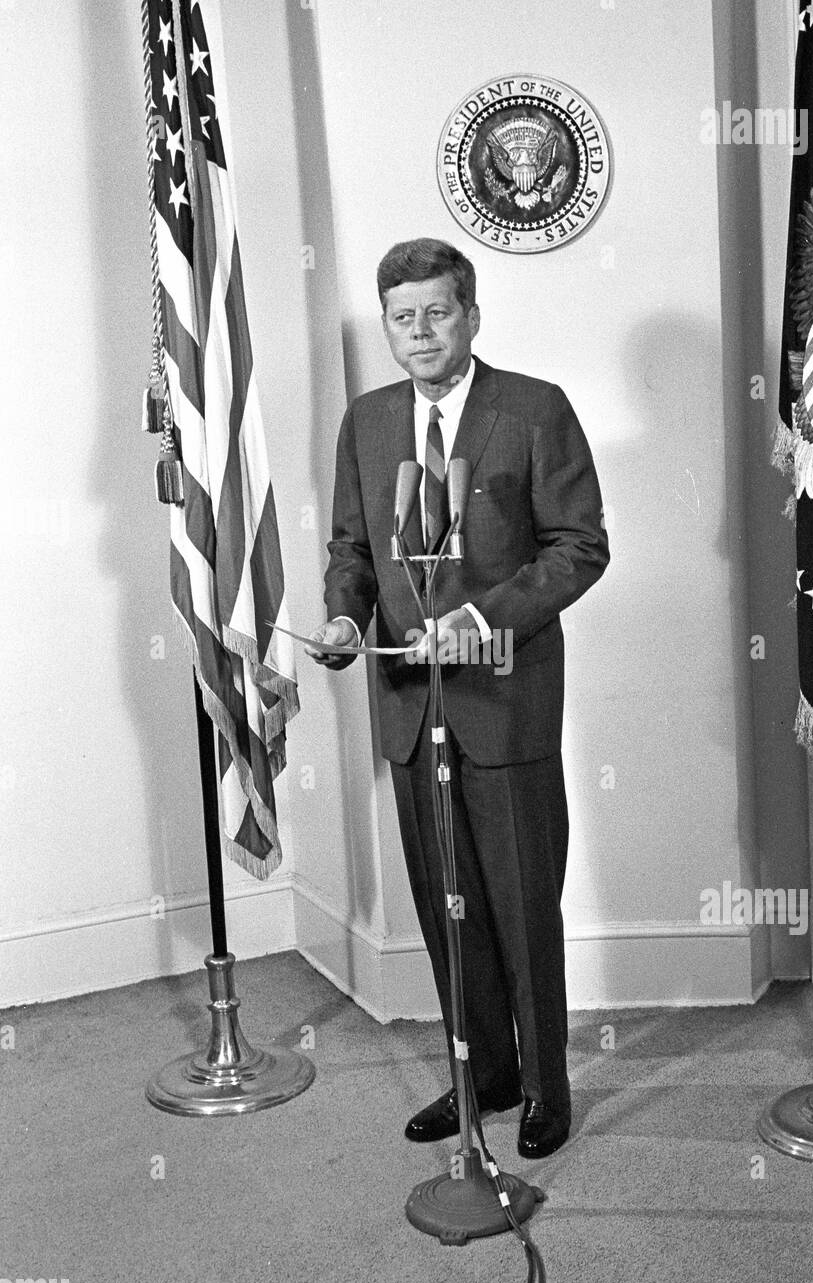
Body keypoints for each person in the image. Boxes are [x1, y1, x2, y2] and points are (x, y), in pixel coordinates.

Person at [308, 238, 608, 1158]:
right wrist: (344, 621)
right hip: (407, 705)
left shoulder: (533, 409)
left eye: (439, 312)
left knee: (520, 905)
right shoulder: (366, 422)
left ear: (471, 316)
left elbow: (579, 547)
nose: (422, 331)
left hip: (504, 705)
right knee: (449, 909)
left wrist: (486, 617)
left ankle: (547, 1086)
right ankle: (486, 1076)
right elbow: (353, 553)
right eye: (404, 318)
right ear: (388, 329)